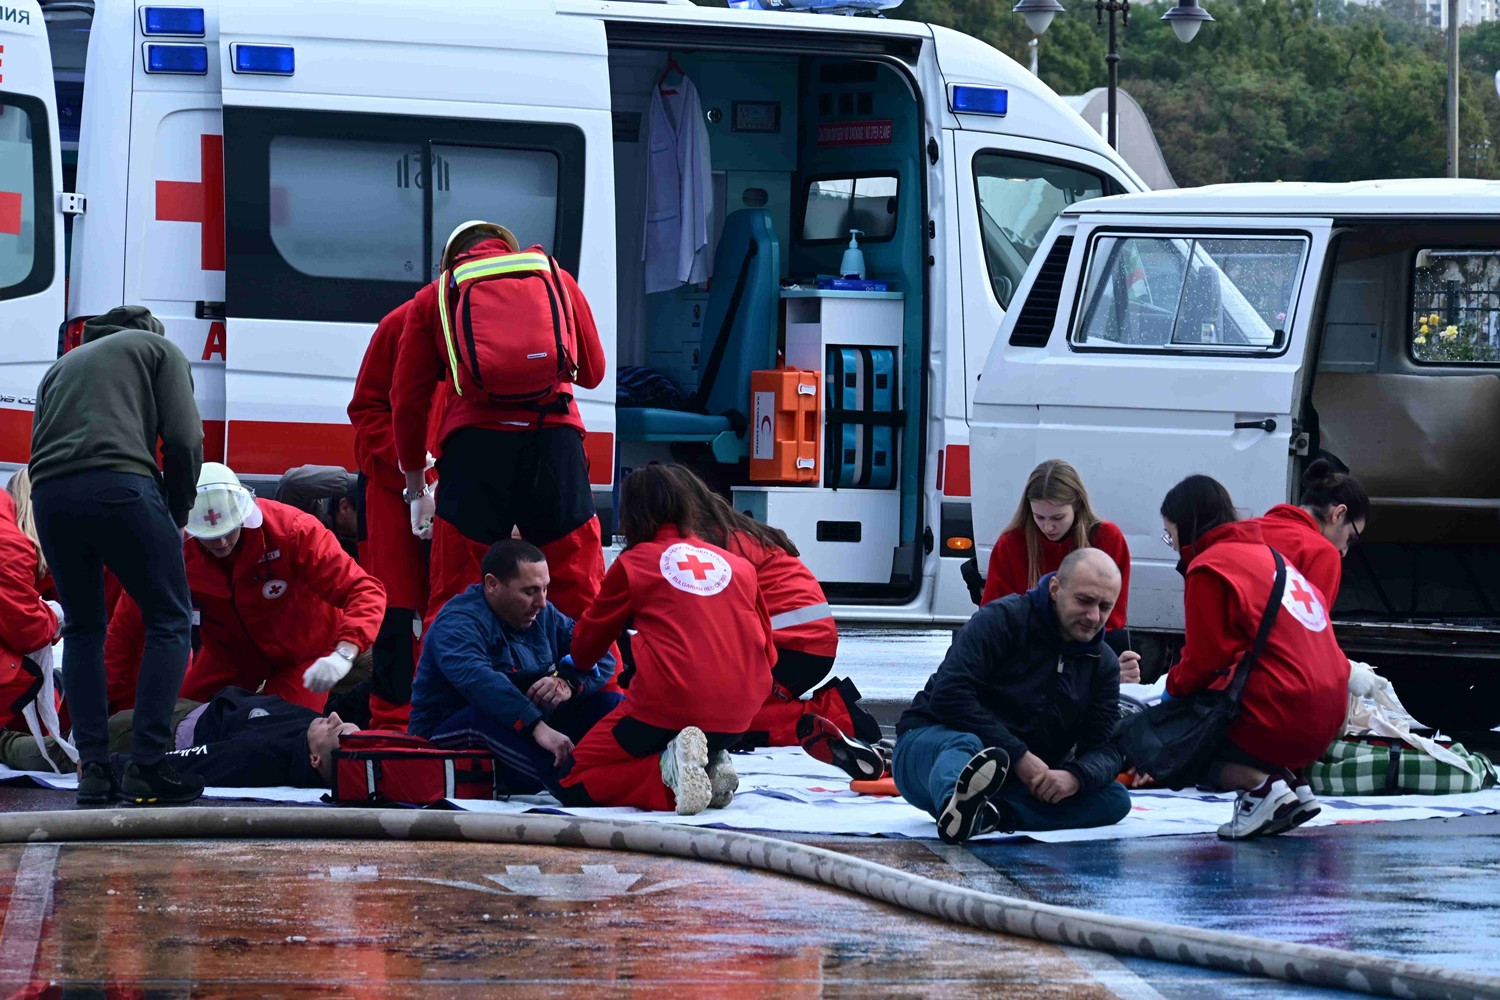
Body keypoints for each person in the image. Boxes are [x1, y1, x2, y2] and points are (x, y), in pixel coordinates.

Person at [27, 305, 204, 807]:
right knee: (169, 618)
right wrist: (176, 511)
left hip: (50, 495)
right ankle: (148, 764)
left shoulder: (61, 366)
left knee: (84, 628)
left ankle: (94, 771)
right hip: (121, 484)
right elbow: (186, 440)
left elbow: (38, 445)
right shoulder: (159, 350)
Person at [390, 221, 607, 623]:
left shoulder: (434, 297)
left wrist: (416, 487)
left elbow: (407, 401)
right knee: (579, 586)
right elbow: (593, 373)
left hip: (474, 452)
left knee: (458, 590)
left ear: (451, 260)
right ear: (509, 249)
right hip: (554, 446)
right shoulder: (554, 277)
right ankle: (593, 683)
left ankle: (454, 683)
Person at [557, 465, 776, 816]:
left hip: (667, 709)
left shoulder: (635, 563)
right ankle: (709, 762)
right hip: (738, 719)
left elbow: (585, 651)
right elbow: (769, 650)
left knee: (572, 778)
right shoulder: (739, 566)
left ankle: (667, 776)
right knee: (673, 729)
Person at [105, 462, 387, 714]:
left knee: (281, 733)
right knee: (180, 721)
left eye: (228, 531)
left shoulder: (292, 531)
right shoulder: (172, 551)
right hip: (229, 655)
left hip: (305, 655)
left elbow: (364, 591)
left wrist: (344, 652)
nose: (221, 543)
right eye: (209, 535)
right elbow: (124, 635)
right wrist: (90, 713)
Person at [893, 548, 1132, 844]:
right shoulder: (1002, 620)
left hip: (1016, 779)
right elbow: (948, 695)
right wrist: (1018, 755)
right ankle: (953, 805)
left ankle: (991, 815)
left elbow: (1106, 746)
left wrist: (1075, 777)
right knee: (967, 744)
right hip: (929, 750)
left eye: (1104, 606)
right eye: (1084, 601)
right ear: (1056, 589)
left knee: (1115, 798)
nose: (1093, 616)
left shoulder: (1103, 663)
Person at [659, 464, 883, 779]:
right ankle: (830, 713)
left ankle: (837, 715)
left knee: (727, 721)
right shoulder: (733, 533)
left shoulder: (715, 545)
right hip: (804, 643)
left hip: (794, 646)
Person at [1161, 474, 1349, 840]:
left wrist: (1168, 693)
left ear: (1189, 525)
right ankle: (1293, 787)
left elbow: (1205, 660)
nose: (1173, 545)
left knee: (1178, 737)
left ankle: (1262, 789)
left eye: (1171, 534)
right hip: (1328, 716)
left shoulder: (1210, 567)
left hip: (1286, 715)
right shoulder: (1273, 558)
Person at [410, 539, 620, 795]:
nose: (541, 602)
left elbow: (601, 651)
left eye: (545, 589)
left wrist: (568, 682)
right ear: (492, 585)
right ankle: (572, 786)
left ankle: (643, 772)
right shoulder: (457, 622)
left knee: (610, 703)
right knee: (481, 717)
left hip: (525, 732)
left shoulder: (545, 613)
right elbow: (480, 682)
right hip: (451, 737)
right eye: (530, 591)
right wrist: (536, 726)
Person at [348, 300, 429, 730]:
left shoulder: (500, 323)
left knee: (454, 607)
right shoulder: (399, 324)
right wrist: (417, 468)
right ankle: (392, 725)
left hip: (460, 484)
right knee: (393, 610)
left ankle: (439, 716)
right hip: (389, 486)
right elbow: (366, 409)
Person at [980, 460, 1135, 677]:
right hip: (1028, 650)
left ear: (1077, 505)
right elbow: (992, 615)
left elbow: (1112, 616)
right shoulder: (1011, 544)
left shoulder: (1106, 538)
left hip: (1088, 644)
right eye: (1039, 517)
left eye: (1058, 517)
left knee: (1119, 652)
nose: (1048, 527)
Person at [97, 687, 358, 788]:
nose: (334, 716)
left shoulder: (261, 754)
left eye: (335, 729)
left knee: (71, 749)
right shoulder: (309, 732)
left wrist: (110, 766)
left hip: (156, 732)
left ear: (314, 759)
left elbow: (198, 762)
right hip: (194, 707)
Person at [1255, 458, 1368, 606]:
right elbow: (1312, 626)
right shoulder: (1322, 553)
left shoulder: (1244, 529)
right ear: (1339, 513)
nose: (1344, 551)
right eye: (1350, 538)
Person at [275, 465, 361, 560]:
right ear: (345, 508)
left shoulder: (367, 539)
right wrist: (358, 483)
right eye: (367, 512)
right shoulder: (310, 511)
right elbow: (289, 484)